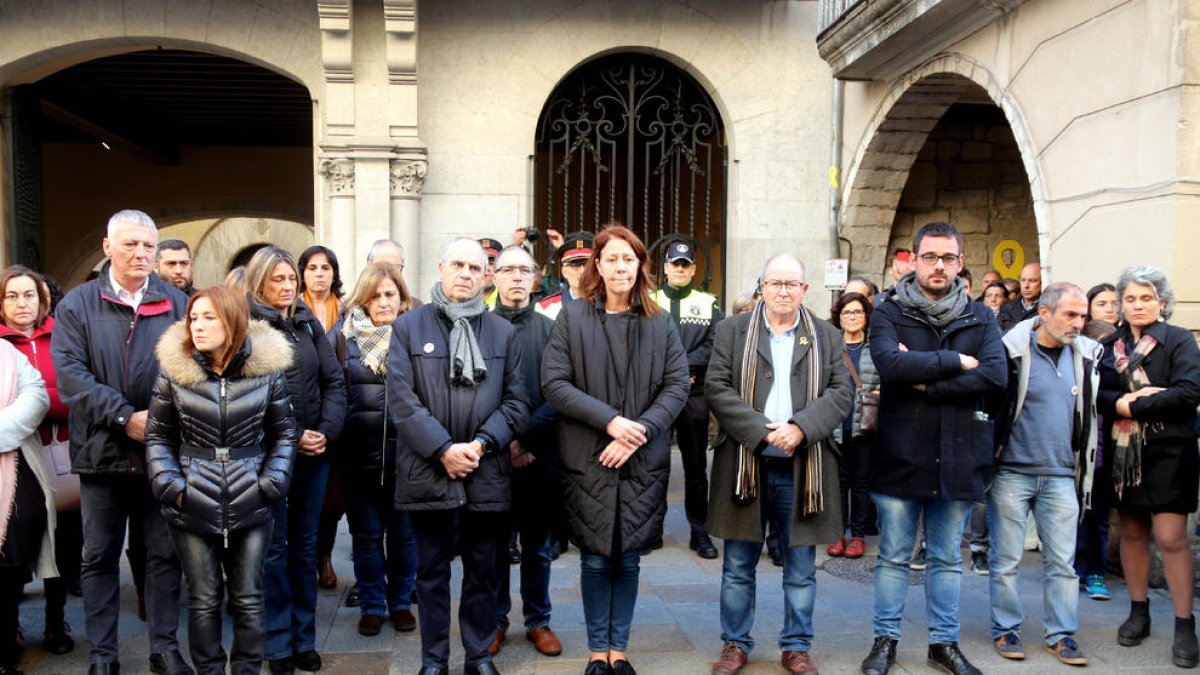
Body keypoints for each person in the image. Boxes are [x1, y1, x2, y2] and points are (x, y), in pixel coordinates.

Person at [541, 224, 689, 675]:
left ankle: (619, 650)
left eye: (629, 258)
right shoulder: (574, 317)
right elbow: (555, 382)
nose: (621, 266)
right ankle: (596, 651)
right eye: (612, 259)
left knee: (627, 558)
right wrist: (610, 422)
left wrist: (637, 432)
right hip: (589, 455)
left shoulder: (659, 321)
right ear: (597, 267)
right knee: (593, 557)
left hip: (641, 457)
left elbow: (677, 384)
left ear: (641, 265)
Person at [860, 221, 1006, 675]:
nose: (938, 265)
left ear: (960, 263)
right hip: (901, 453)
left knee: (946, 559)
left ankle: (943, 644)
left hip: (959, 456)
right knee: (894, 557)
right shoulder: (888, 311)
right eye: (929, 257)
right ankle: (884, 641)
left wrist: (926, 382)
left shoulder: (981, 316)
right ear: (914, 261)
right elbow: (889, 363)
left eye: (947, 258)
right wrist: (956, 362)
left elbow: (995, 376)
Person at [51, 209, 192, 675]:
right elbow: (71, 376)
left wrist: (159, 418)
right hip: (102, 454)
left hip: (161, 453)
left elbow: (192, 373)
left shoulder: (175, 303)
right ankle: (104, 655)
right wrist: (123, 417)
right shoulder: (77, 304)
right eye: (130, 244)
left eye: (148, 246)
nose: (140, 253)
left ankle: (165, 648)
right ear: (107, 248)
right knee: (99, 559)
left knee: (164, 556)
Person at [705, 254, 852, 675]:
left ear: (806, 289)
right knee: (737, 565)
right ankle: (734, 644)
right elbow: (716, 387)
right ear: (762, 288)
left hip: (804, 468)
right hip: (745, 464)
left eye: (792, 283)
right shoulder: (732, 331)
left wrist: (802, 428)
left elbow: (842, 393)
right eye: (775, 283)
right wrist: (760, 429)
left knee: (801, 566)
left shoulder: (827, 336)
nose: (784, 291)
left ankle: (797, 646)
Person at [388, 237, 529, 675]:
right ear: (441, 268)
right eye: (458, 265)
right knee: (430, 575)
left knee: (482, 572)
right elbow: (402, 401)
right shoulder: (408, 327)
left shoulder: (504, 333)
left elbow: (517, 402)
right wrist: (443, 449)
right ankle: (434, 661)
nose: (466, 274)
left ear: (486, 276)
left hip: (486, 471)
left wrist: (482, 445)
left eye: (475, 267)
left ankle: (477, 655)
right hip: (429, 471)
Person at [145, 286, 297, 675]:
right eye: (194, 317)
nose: (197, 325)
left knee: (248, 597)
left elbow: (283, 434)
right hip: (191, 496)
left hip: (253, 496)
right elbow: (158, 435)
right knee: (203, 598)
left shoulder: (267, 375)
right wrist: (173, 488)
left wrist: (270, 484)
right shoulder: (174, 374)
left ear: (232, 321)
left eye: (209, 317)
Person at [247, 246, 346, 675]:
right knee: (272, 550)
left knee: (304, 549)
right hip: (269, 456)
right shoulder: (247, 329)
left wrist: (325, 431)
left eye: (291, 279)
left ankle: (303, 637)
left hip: (313, 454)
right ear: (260, 283)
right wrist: (291, 435)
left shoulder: (306, 323)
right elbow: (249, 396)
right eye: (279, 280)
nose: (288, 287)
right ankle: (277, 642)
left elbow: (335, 382)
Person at [988, 282, 1098, 666]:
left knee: (1063, 563)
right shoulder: (1012, 352)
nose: (1078, 323)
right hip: (1012, 474)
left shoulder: (1085, 357)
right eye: (1070, 314)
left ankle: (1061, 635)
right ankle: (1005, 627)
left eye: (1083, 315)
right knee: (1006, 559)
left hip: (1061, 475)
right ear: (1045, 313)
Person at [1098, 266, 1200, 668]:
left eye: (1146, 298)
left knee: (1171, 536)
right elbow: (1098, 393)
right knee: (1133, 531)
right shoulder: (1110, 344)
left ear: (1161, 302)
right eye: (1130, 298)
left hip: (1171, 451)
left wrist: (1133, 403)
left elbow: (1189, 392)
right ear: (1120, 304)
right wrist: (1120, 402)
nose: (1138, 305)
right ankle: (1138, 611)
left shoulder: (1179, 341)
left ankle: (1184, 623)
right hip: (1125, 454)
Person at [486, 245, 563, 658]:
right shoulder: (478, 327)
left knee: (537, 545)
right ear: (493, 277)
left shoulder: (553, 330)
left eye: (525, 270)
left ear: (536, 278)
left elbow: (559, 392)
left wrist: (526, 441)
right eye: (508, 269)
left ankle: (538, 620)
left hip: (538, 455)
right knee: (496, 544)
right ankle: (496, 619)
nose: (517, 277)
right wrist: (504, 441)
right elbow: (475, 395)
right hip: (493, 455)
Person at [336, 263, 418, 636]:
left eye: (391, 294)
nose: (384, 302)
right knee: (366, 539)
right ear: (363, 300)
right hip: (360, 460)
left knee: (404, 538)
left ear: (402, 298)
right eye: (376, 295)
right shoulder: (344, 339)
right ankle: (371, 603)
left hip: (407, 461)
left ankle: (400, 601)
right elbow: (333, 394)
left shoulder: (419, 339)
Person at [0, 266, 76, 656]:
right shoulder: (1, 345)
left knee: (63, 546)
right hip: (16, 462)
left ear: (42, 298)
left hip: (63, 458)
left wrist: (38, 401)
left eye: (29, 295)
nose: (21, 303)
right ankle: (8, 626)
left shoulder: (61, 337)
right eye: (11, 296)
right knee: (12, 548)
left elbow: (72, 393)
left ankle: (55, 623)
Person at [649, 240, 723, 560]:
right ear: (665, 267)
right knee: (654, 465)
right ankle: (651, 529)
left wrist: (679, 364)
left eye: (685, 265)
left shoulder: (709, 305)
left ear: (693, 269)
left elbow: (714, 346)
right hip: (655, 397)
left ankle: (699, 532)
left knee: (695, 467)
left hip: (694, 396)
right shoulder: (647, 301)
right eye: (674, 264)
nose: (679, 270)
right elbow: (639, 342)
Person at [0, 337, 53, 675]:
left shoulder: (5, 352)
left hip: (11, 471)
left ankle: (5, 651)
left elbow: (36, 397)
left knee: (7, 571)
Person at [297, 245, 346, 593]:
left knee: (333, 497)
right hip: (300, 414)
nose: (319, 273)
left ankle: (324, 555)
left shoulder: (346, 310)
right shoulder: (291, 310)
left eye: (325, 267)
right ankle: (301, 556)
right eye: (312, 267)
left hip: (337, 411)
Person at [1074, 282, 1120, 602]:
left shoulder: (1124, 351)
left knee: (1100, 517)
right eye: (1102, 302)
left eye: (1114, 303)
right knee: (1076, 516)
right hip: (1080, 446)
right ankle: (1074, 569)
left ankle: (1096, 572)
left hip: (1109, 448)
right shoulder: (1079, 346)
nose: (1110, 308)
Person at [826, 292, 878, 561]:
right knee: (837, 483)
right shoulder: (831, 348)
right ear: (839, 317)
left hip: (864, 426)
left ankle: (857, 536)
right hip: (836, 424)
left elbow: (884, 380)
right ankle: (837, 533)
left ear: (866, 316)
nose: (853, 317)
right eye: (847, 312)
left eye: (858, 312)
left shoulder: (875, 348)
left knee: (860, 484)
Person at [535, 232, 594, 321]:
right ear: (564, 271)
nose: (582, 271)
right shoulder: (545, 309)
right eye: (575, 265)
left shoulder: (611, 306)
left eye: (588, 264)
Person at [998, 263, 1042, 332]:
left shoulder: (1048, 308)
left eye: (1032, 281)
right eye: (1023, 280)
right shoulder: (1007, 307)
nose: (1026, 286)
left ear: (1042, 282)